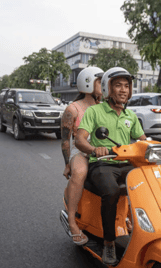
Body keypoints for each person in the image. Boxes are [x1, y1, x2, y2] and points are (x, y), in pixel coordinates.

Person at [75, 67, 161, 265]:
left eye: (127, 86)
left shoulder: (131, 116)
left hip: (127, 163)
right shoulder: (94, 112)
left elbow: (143, 141)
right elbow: (80, 139)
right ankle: (109, 243)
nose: (123, 90)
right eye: (118, 85)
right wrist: (95, 149)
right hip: (103, 164)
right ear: (107, 89)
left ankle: (147, 228)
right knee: (111, 191)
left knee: (151, 185)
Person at [61, 66, 104, 246]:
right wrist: (68, 163)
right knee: (79, 173)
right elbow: (65, 141)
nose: (104, 85)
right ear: (87, 83)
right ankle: (72, 222)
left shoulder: (106, 107)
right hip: (81, 151)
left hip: (104, 150)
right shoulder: (73, 109)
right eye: (100, 82)